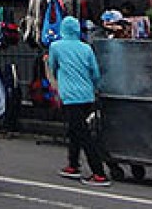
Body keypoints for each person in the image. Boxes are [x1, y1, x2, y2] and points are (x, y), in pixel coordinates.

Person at [47, 15, 110, 187]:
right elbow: (95, 73)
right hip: (87, 95)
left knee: (83, 134)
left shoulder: (56, 47)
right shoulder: (86, 48)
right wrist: (94, 87)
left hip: (70, 96)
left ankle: (99, 173)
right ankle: (72, 165)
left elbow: (52, 67)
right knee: (75, 131)